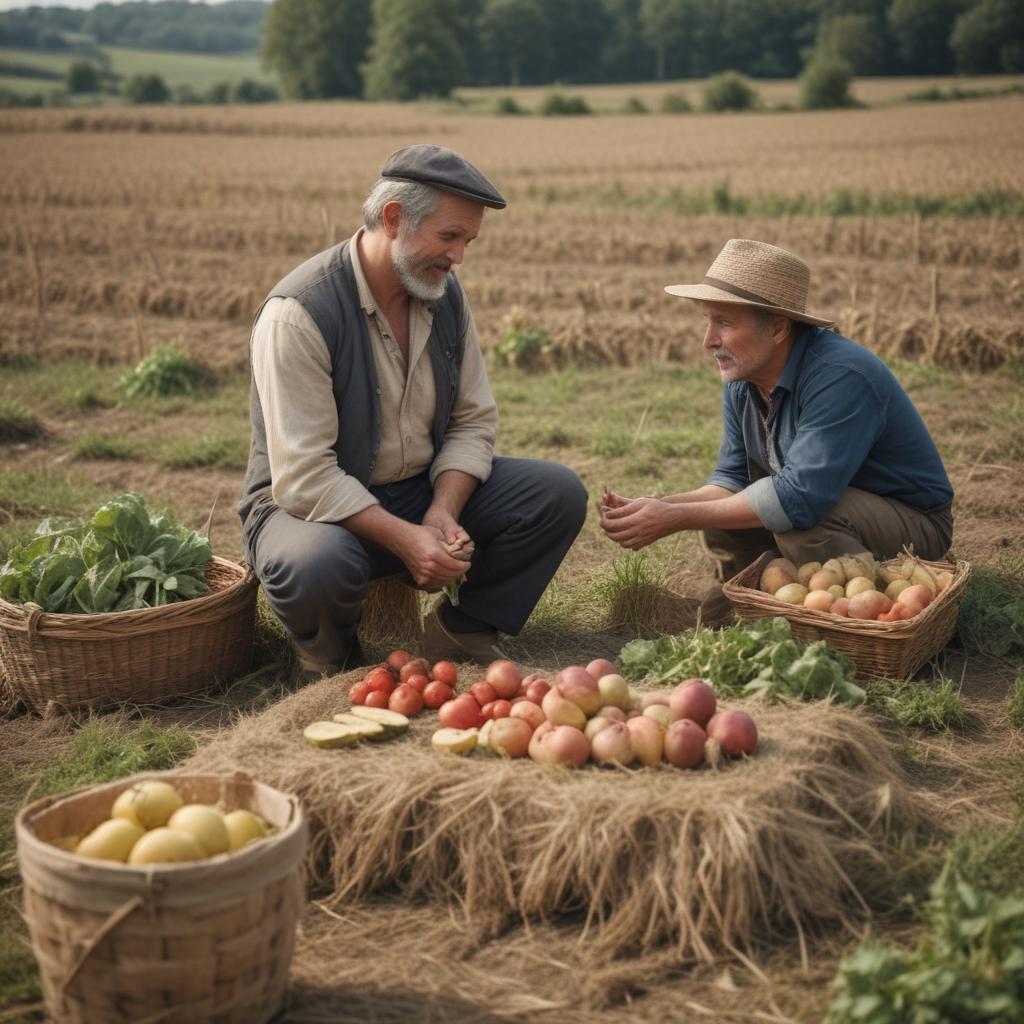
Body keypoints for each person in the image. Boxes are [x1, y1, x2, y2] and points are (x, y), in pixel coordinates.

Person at [238, 144, 587, 673]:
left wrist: (442, 510)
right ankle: (329, 659)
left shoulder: (444, 294)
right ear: (394, 219)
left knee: (555, 494)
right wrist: (405, 539)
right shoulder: (299, 313)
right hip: (305, 511)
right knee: (316, 564)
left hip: (417, 492)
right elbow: (305, 477)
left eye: (467, 241)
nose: (459, 256)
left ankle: (462, 630)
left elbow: (472, 420)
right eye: (450, 237)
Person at [600, 238, 953, 623]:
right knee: (720, 521)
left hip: (912, 521)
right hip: (833, 502)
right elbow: (732, 478)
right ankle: (760, 607)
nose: (708, 340)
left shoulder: (840, 376)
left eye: (724, 323)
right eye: (708, 321)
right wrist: (661, 507)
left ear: (778, 328)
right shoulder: (744, 379)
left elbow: (801, 497)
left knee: (801, 525)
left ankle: (860, 611)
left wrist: (676, 518)